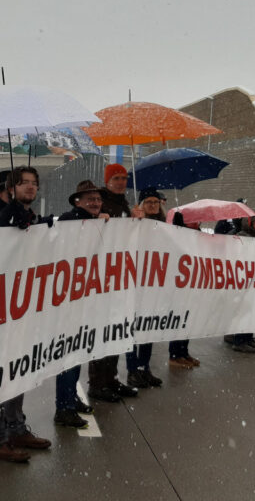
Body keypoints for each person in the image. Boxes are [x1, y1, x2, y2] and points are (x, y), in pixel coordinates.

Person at [0, 166, 52, 463]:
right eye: (24, 183)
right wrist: (9, 215)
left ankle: (16, 426)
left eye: (34, 183)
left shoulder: (28, 216)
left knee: (18, 367)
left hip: (21, 304)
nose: (31, 188)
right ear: (11, 188)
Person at [52, 180, 108, 428]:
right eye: (90, 200)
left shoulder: (96, 222)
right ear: (78, 201)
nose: (95, 203)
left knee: (76, 353)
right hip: (70, 300)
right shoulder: (69, 220)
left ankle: (70, 399)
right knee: (68, 355)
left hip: (84, 296)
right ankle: (63, 407)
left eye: (97, 199)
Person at [86, 164, 140, 399]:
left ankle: (112, 378)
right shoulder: (99, 201)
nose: (121, 182)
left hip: (121, 277)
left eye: (124, 178)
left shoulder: (125, 204)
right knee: (102, 332)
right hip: (102, 279)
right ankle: (97, 384)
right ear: (107, 180)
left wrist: (139, 220)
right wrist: (97, 218)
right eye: (116, 178)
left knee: (117, 330)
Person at [125, 187, 166, 388]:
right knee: (133, 329)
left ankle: (144, 367)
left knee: (149, 327)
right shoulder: (134, 222)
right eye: (148, 202)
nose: (152, 205)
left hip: (154, 283)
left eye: (155, 202)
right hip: (135, 283)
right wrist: (133, 222)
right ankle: (132, 370)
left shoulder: (165, 226)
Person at [227, 213, 255, 353]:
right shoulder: (242, 236)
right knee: (244, 309)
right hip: (245, 277)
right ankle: (239, 340)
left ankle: (248, 337)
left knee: (252, 308)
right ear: (249, 222)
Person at [168, 211, 201, 368]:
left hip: (192, 283)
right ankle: (175, 355)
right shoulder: (175, 234)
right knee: (178, 321)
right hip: (178, 283)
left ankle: (184, 352)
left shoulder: (197, 234)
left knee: (188, 320)